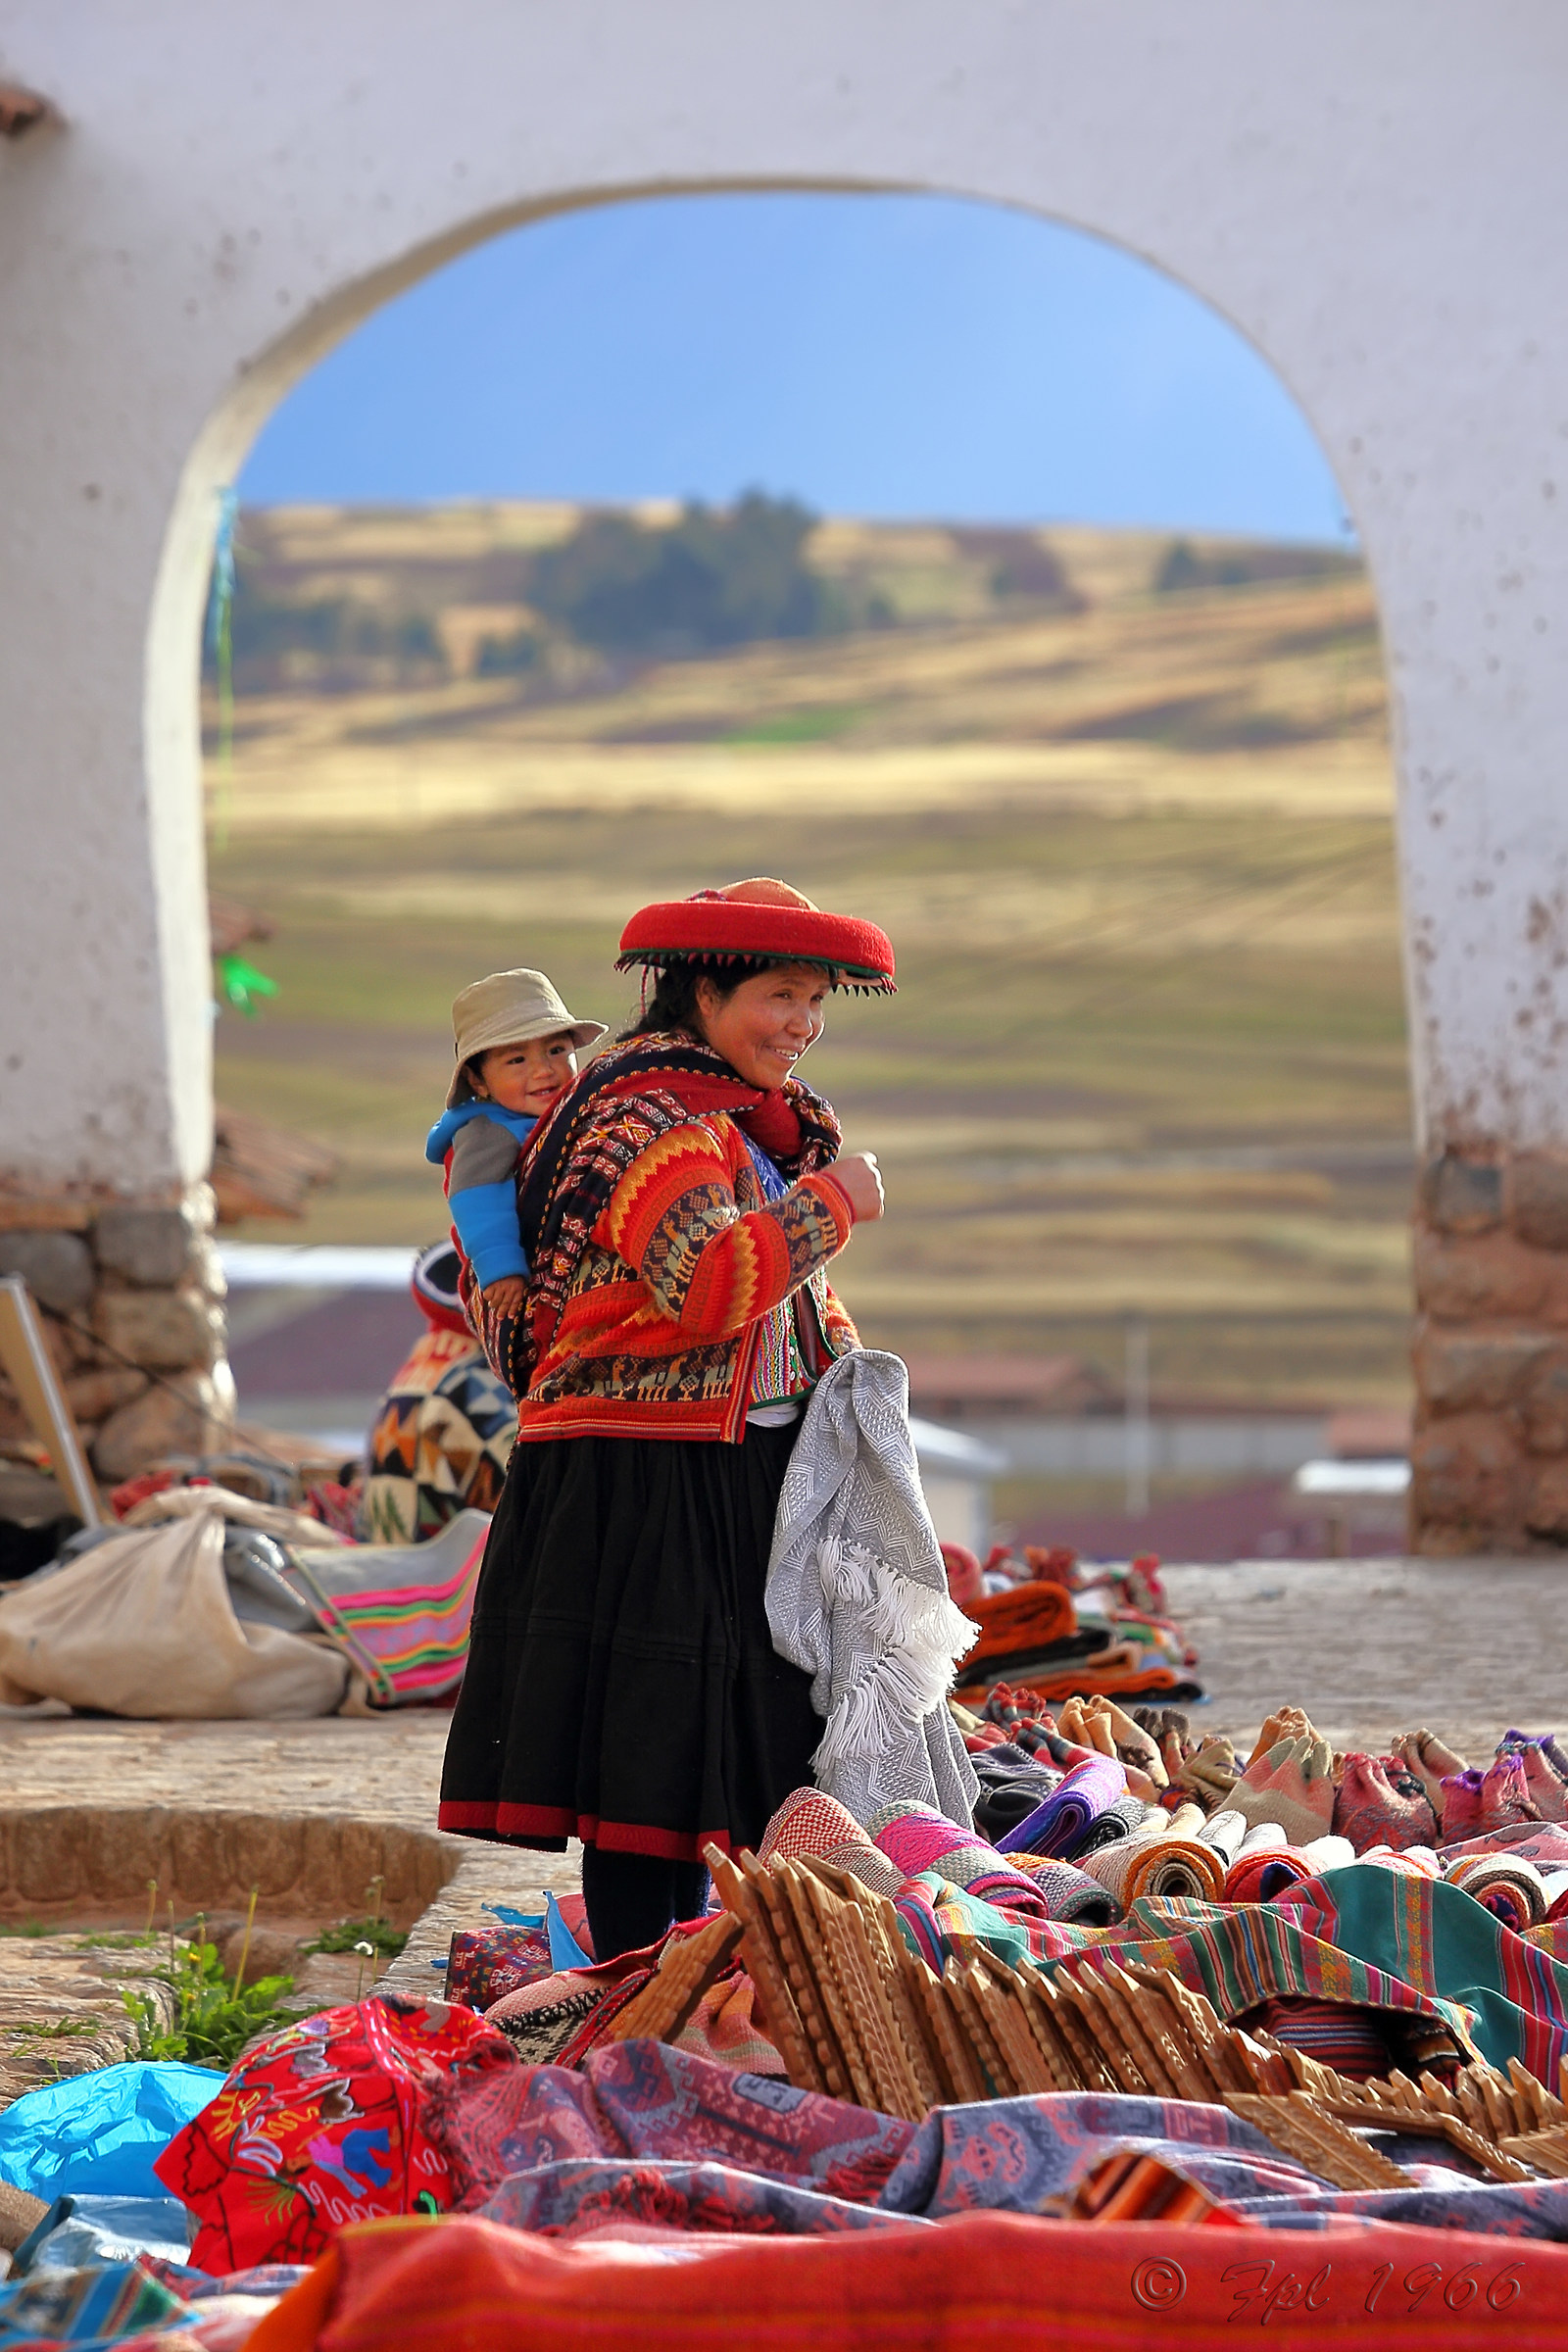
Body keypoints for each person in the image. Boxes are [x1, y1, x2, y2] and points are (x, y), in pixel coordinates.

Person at [439, 879, 894, 1961]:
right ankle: (639, 1983)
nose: (802, 1023)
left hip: (714, 1463)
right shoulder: (651, 1121)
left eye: (816, 1000)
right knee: (652, 1760)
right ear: (703, 991)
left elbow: (781, 1306)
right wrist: (835, 1203)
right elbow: (710, 1283)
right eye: (780, 995)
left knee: (710, 1755)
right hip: (646, 1475)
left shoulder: (726, 1117)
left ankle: (684, 1975)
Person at [424, 967, 606, 1326]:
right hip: (515, 1283)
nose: (543, 1070)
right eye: (517, 1059)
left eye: (556, 1050)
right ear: (478, 1081)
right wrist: (501, 1266)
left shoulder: (566, 1114)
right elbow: (478, 1199)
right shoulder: (487, 1131)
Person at [357, 1242, 517, 1543]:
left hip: (398, 1566)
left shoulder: (423, 1367)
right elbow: (537, 1502)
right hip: (451, 1572)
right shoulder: (478, 1383)